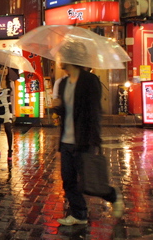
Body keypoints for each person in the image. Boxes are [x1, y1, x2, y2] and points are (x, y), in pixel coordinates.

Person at [53, 42, 124, 226]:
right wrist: (57, 109)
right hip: (66, 140)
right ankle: (80, 215)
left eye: (62, 56)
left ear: (72, 58)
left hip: (83, 140)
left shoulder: (90, 81)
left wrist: (94, 140)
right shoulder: (63, 83)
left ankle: (112, 194)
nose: (59, 60)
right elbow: (67, 110)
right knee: (68, 181)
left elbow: (94, 113)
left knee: (89, 183)